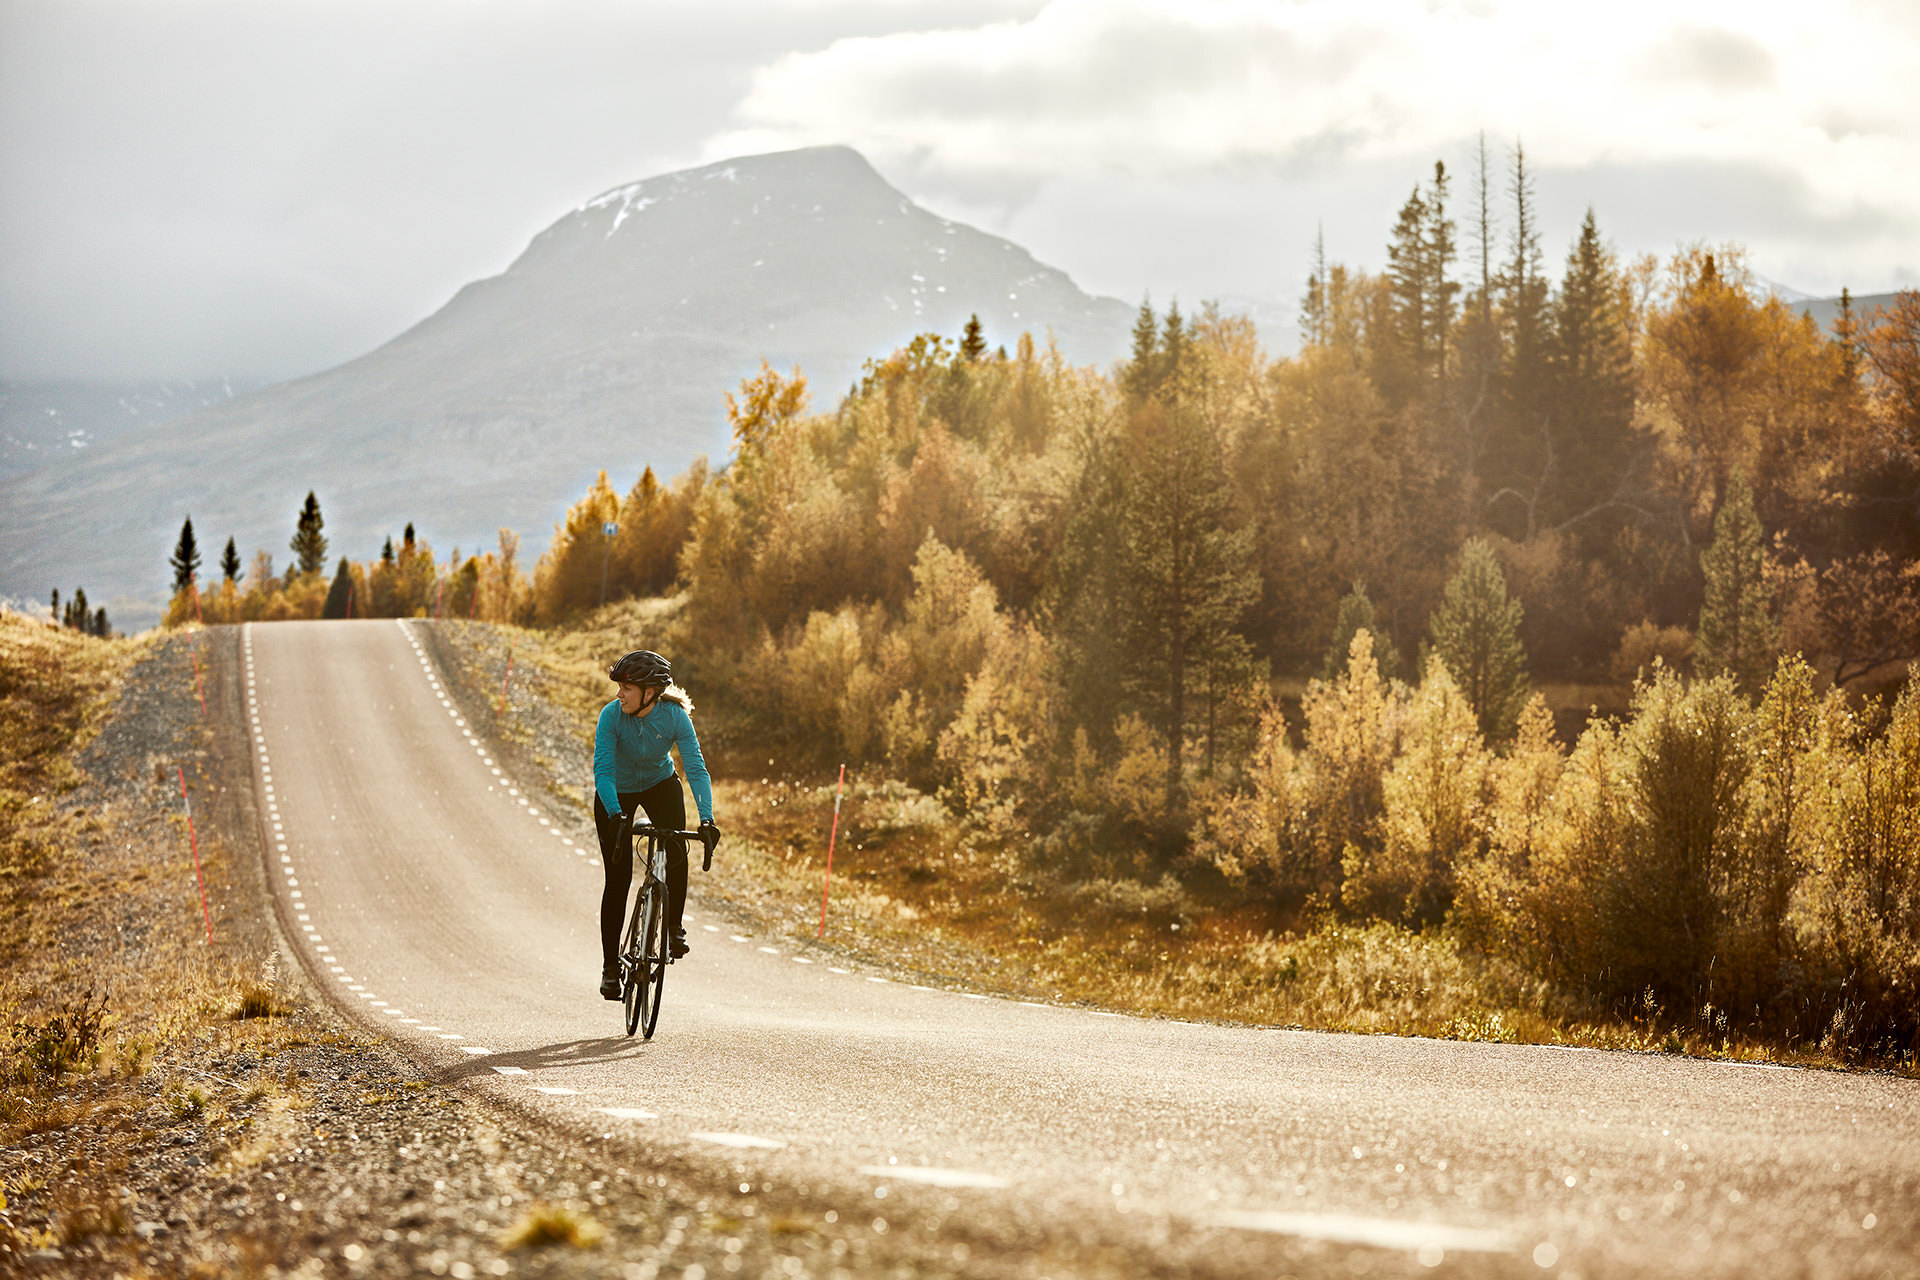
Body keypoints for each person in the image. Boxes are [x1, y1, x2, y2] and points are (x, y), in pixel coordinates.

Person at [592, 650, 720, 1000]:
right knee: (617, 879)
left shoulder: (675, 717)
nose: (619, 695)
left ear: (650, 692)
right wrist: (617, 813)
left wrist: (707, 818)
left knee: (677, 849)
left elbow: (695, 769)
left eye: (627, 688)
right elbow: (602, 771)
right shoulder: (611, 716)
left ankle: (674, 926)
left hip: (659, 784)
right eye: (619, 688)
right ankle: (609, 968)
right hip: (615, 790)